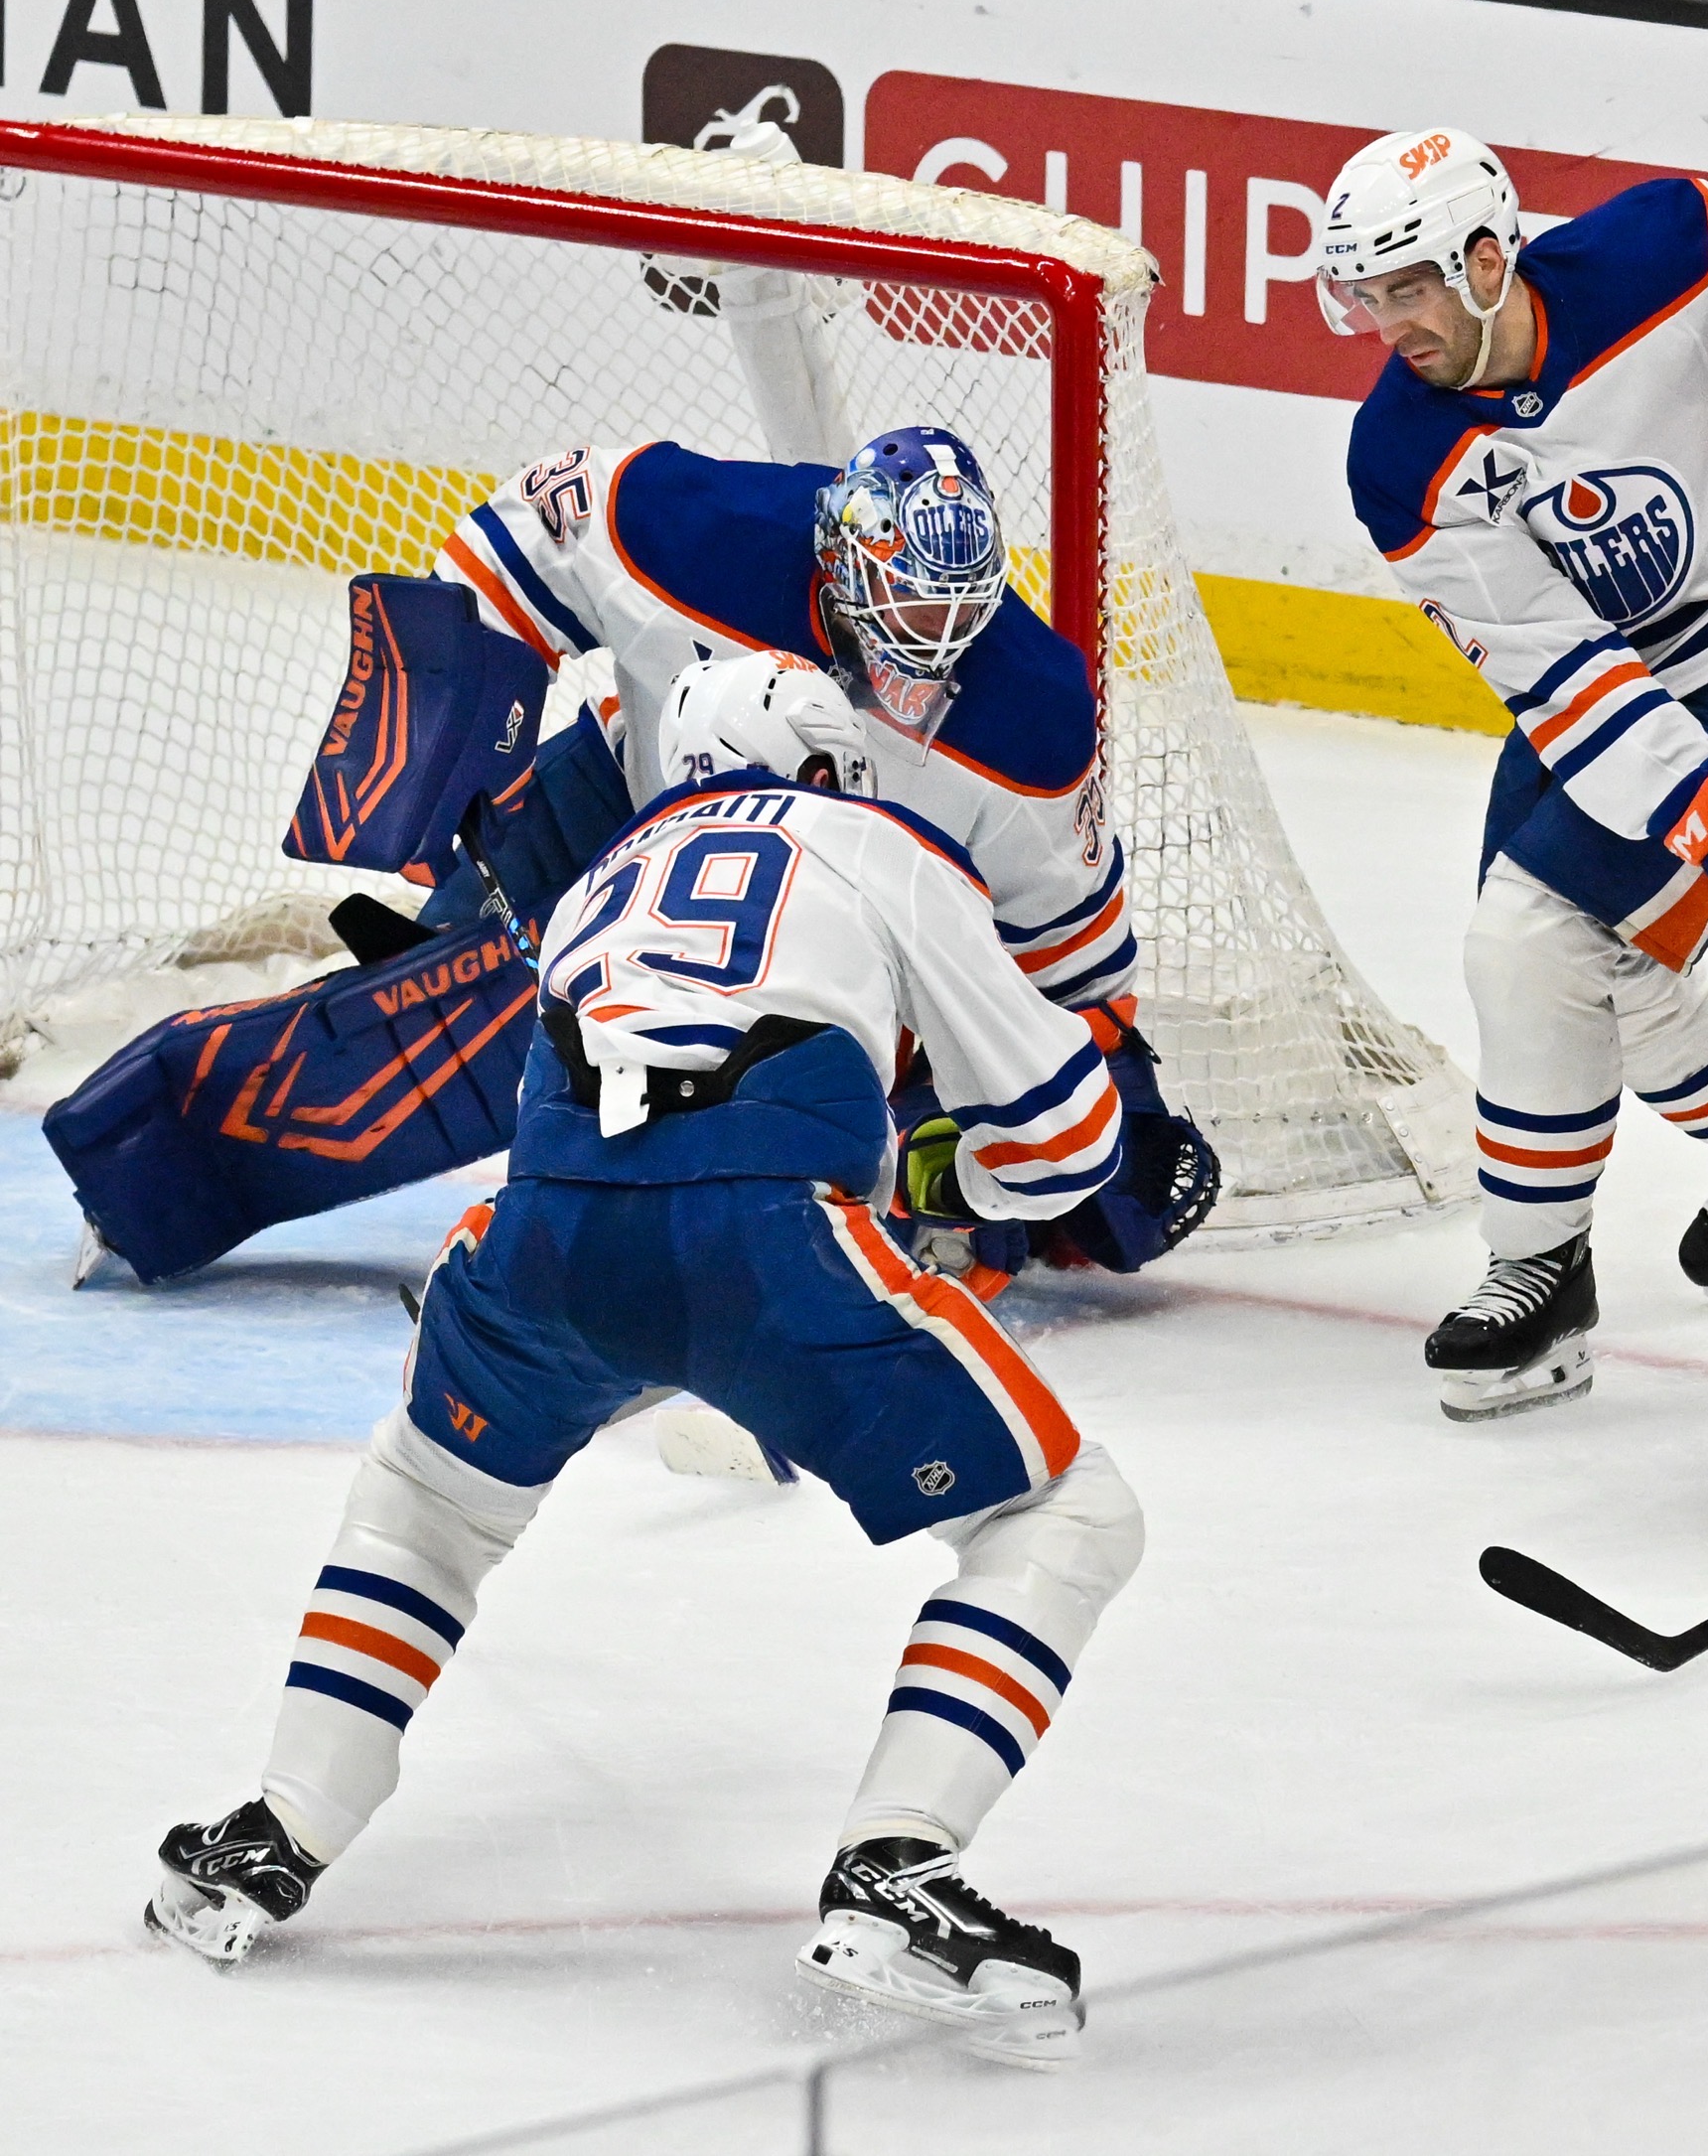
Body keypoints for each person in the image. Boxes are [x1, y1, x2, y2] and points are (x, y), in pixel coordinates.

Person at [144, 655, 1143, 2067]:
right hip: (762, 1236)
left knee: (426, 1508)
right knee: (1072, 1511)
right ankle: (898, 1864)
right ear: (825, 768)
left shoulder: (599, 879)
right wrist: (961, 1158)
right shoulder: (881, 842)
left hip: (537, 1241)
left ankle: (275, 1827)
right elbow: (1067, 1138)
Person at [50, 426, 1216, 1294]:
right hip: (622, 799)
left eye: (954, 615)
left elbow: (1064, 964)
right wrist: (457, 756)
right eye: (899, 610)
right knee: (429, 1030)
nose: (926, 646)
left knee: (1098, 1188)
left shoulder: (1029, 716)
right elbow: (506, 557)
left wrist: (1117, 1114)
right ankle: (158, 1163)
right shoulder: (698, 531)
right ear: (837, 564)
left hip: (819, 938)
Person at [1322, 128, 1708, 1418]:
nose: (1390, 321)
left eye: (1409, 284)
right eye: (1368, 295)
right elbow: (1570, 682)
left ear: (1486, 258)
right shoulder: (1400, 457)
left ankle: (1539, 1285)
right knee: (1597, 958)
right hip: (1616, 691)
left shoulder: (1656, 254)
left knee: (1528, 946)